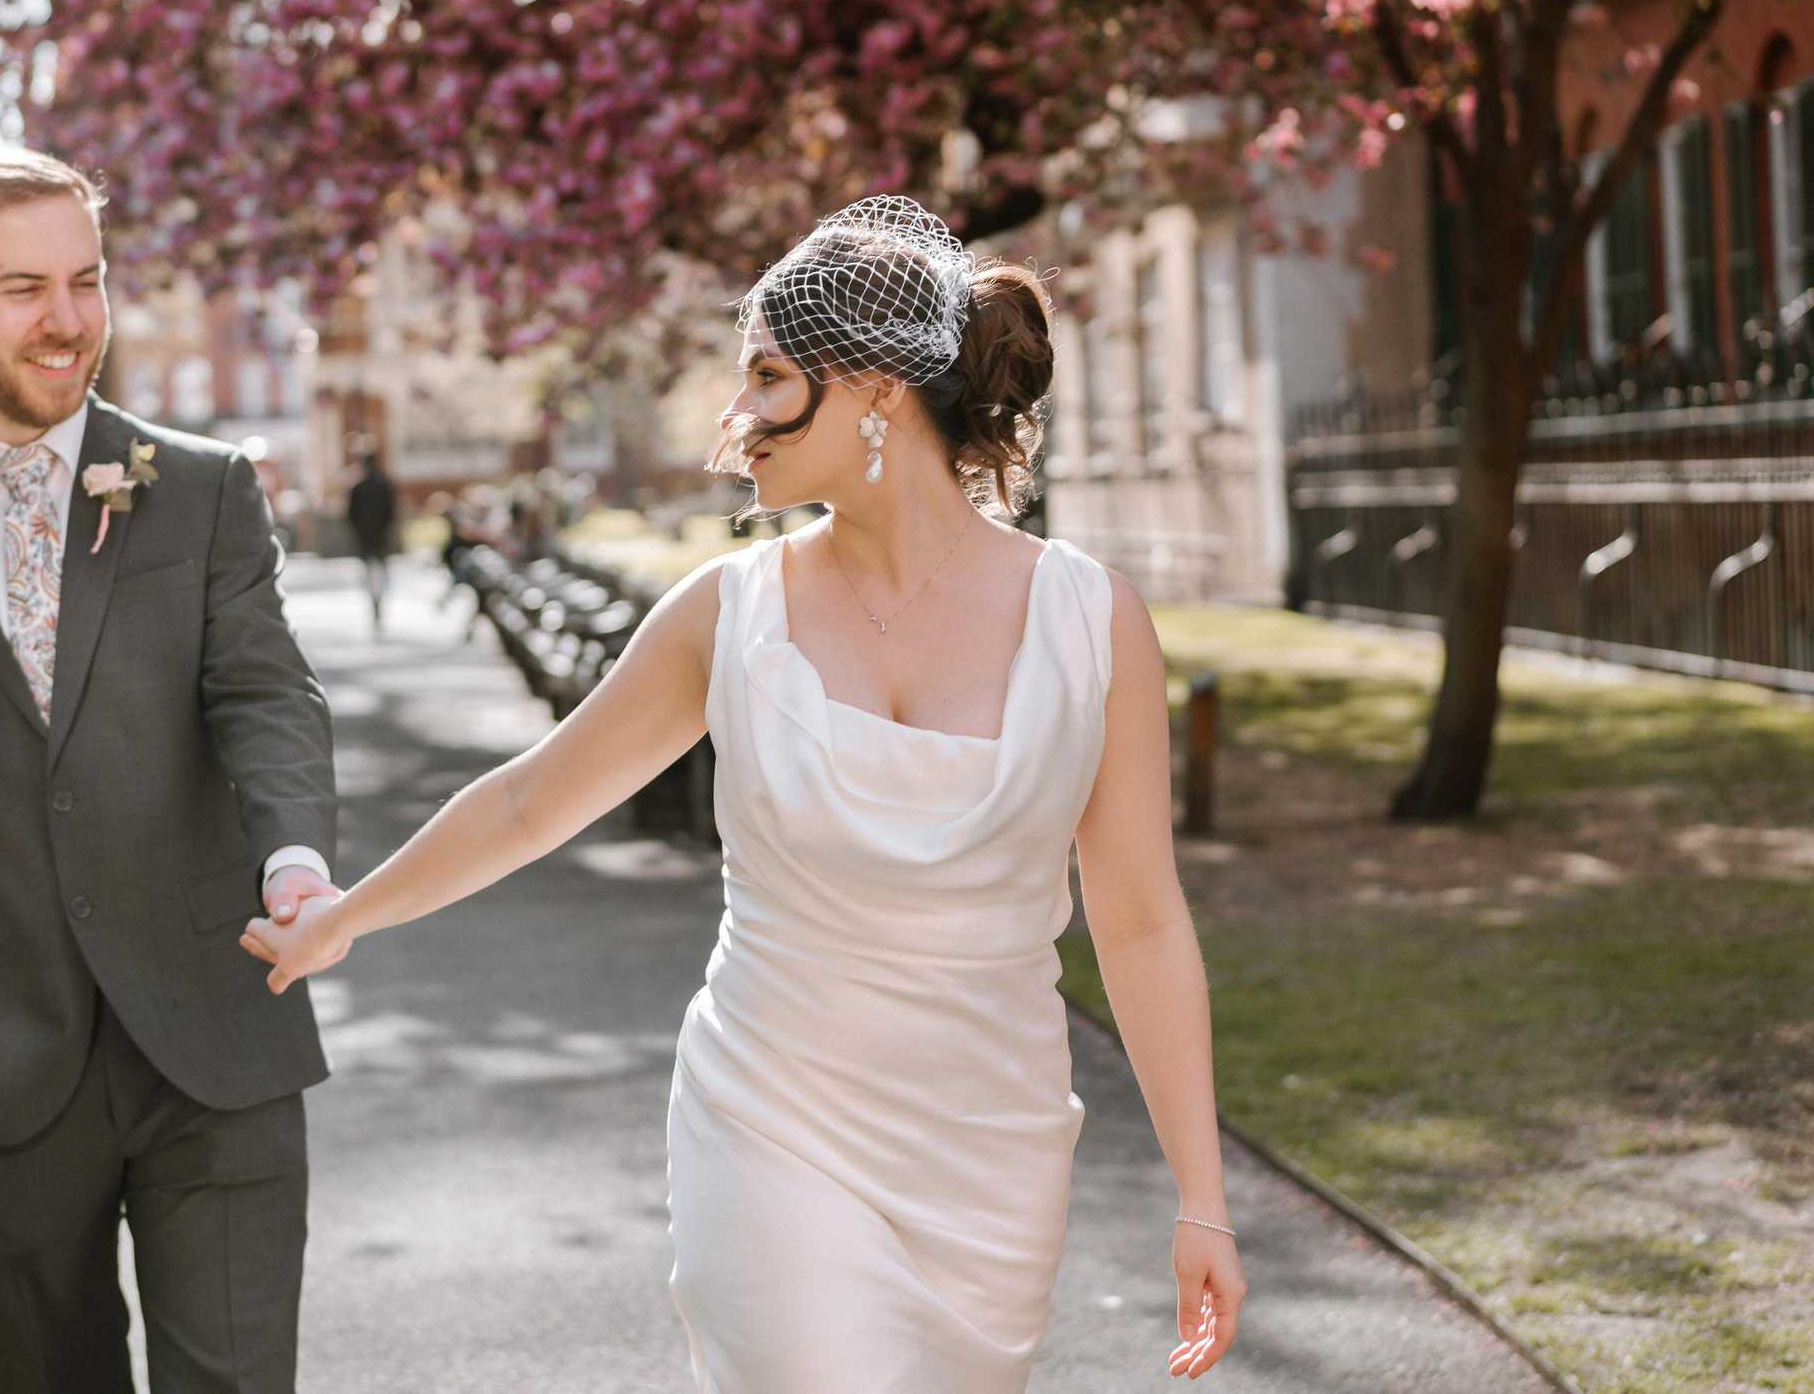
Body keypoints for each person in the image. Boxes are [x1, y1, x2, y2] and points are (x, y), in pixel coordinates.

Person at [246, 197, 1245, 1391]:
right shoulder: (727, 614)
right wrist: (346, 914)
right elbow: (529, 801)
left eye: (768, 379)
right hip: (768, 1123)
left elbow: (1137, 919)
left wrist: (1203, 1197)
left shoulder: (1093, 622)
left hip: (991, 1151)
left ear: (877, 387)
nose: (736, 421)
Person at [0, 146, 340, 1393]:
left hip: (216, 1028)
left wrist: (295, 861)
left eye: (86, 281)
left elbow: (265, 694)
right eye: (24, 287)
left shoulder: (200, 490)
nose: (67, 320)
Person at [345, 452, 397, 630]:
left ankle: (374, 601)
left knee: (369, 571)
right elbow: (391, 511)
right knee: (380, 570)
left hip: (366, 535)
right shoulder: (384, 484)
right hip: (380, 534)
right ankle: (378, 600)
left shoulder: (358, 486)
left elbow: (350, 514)